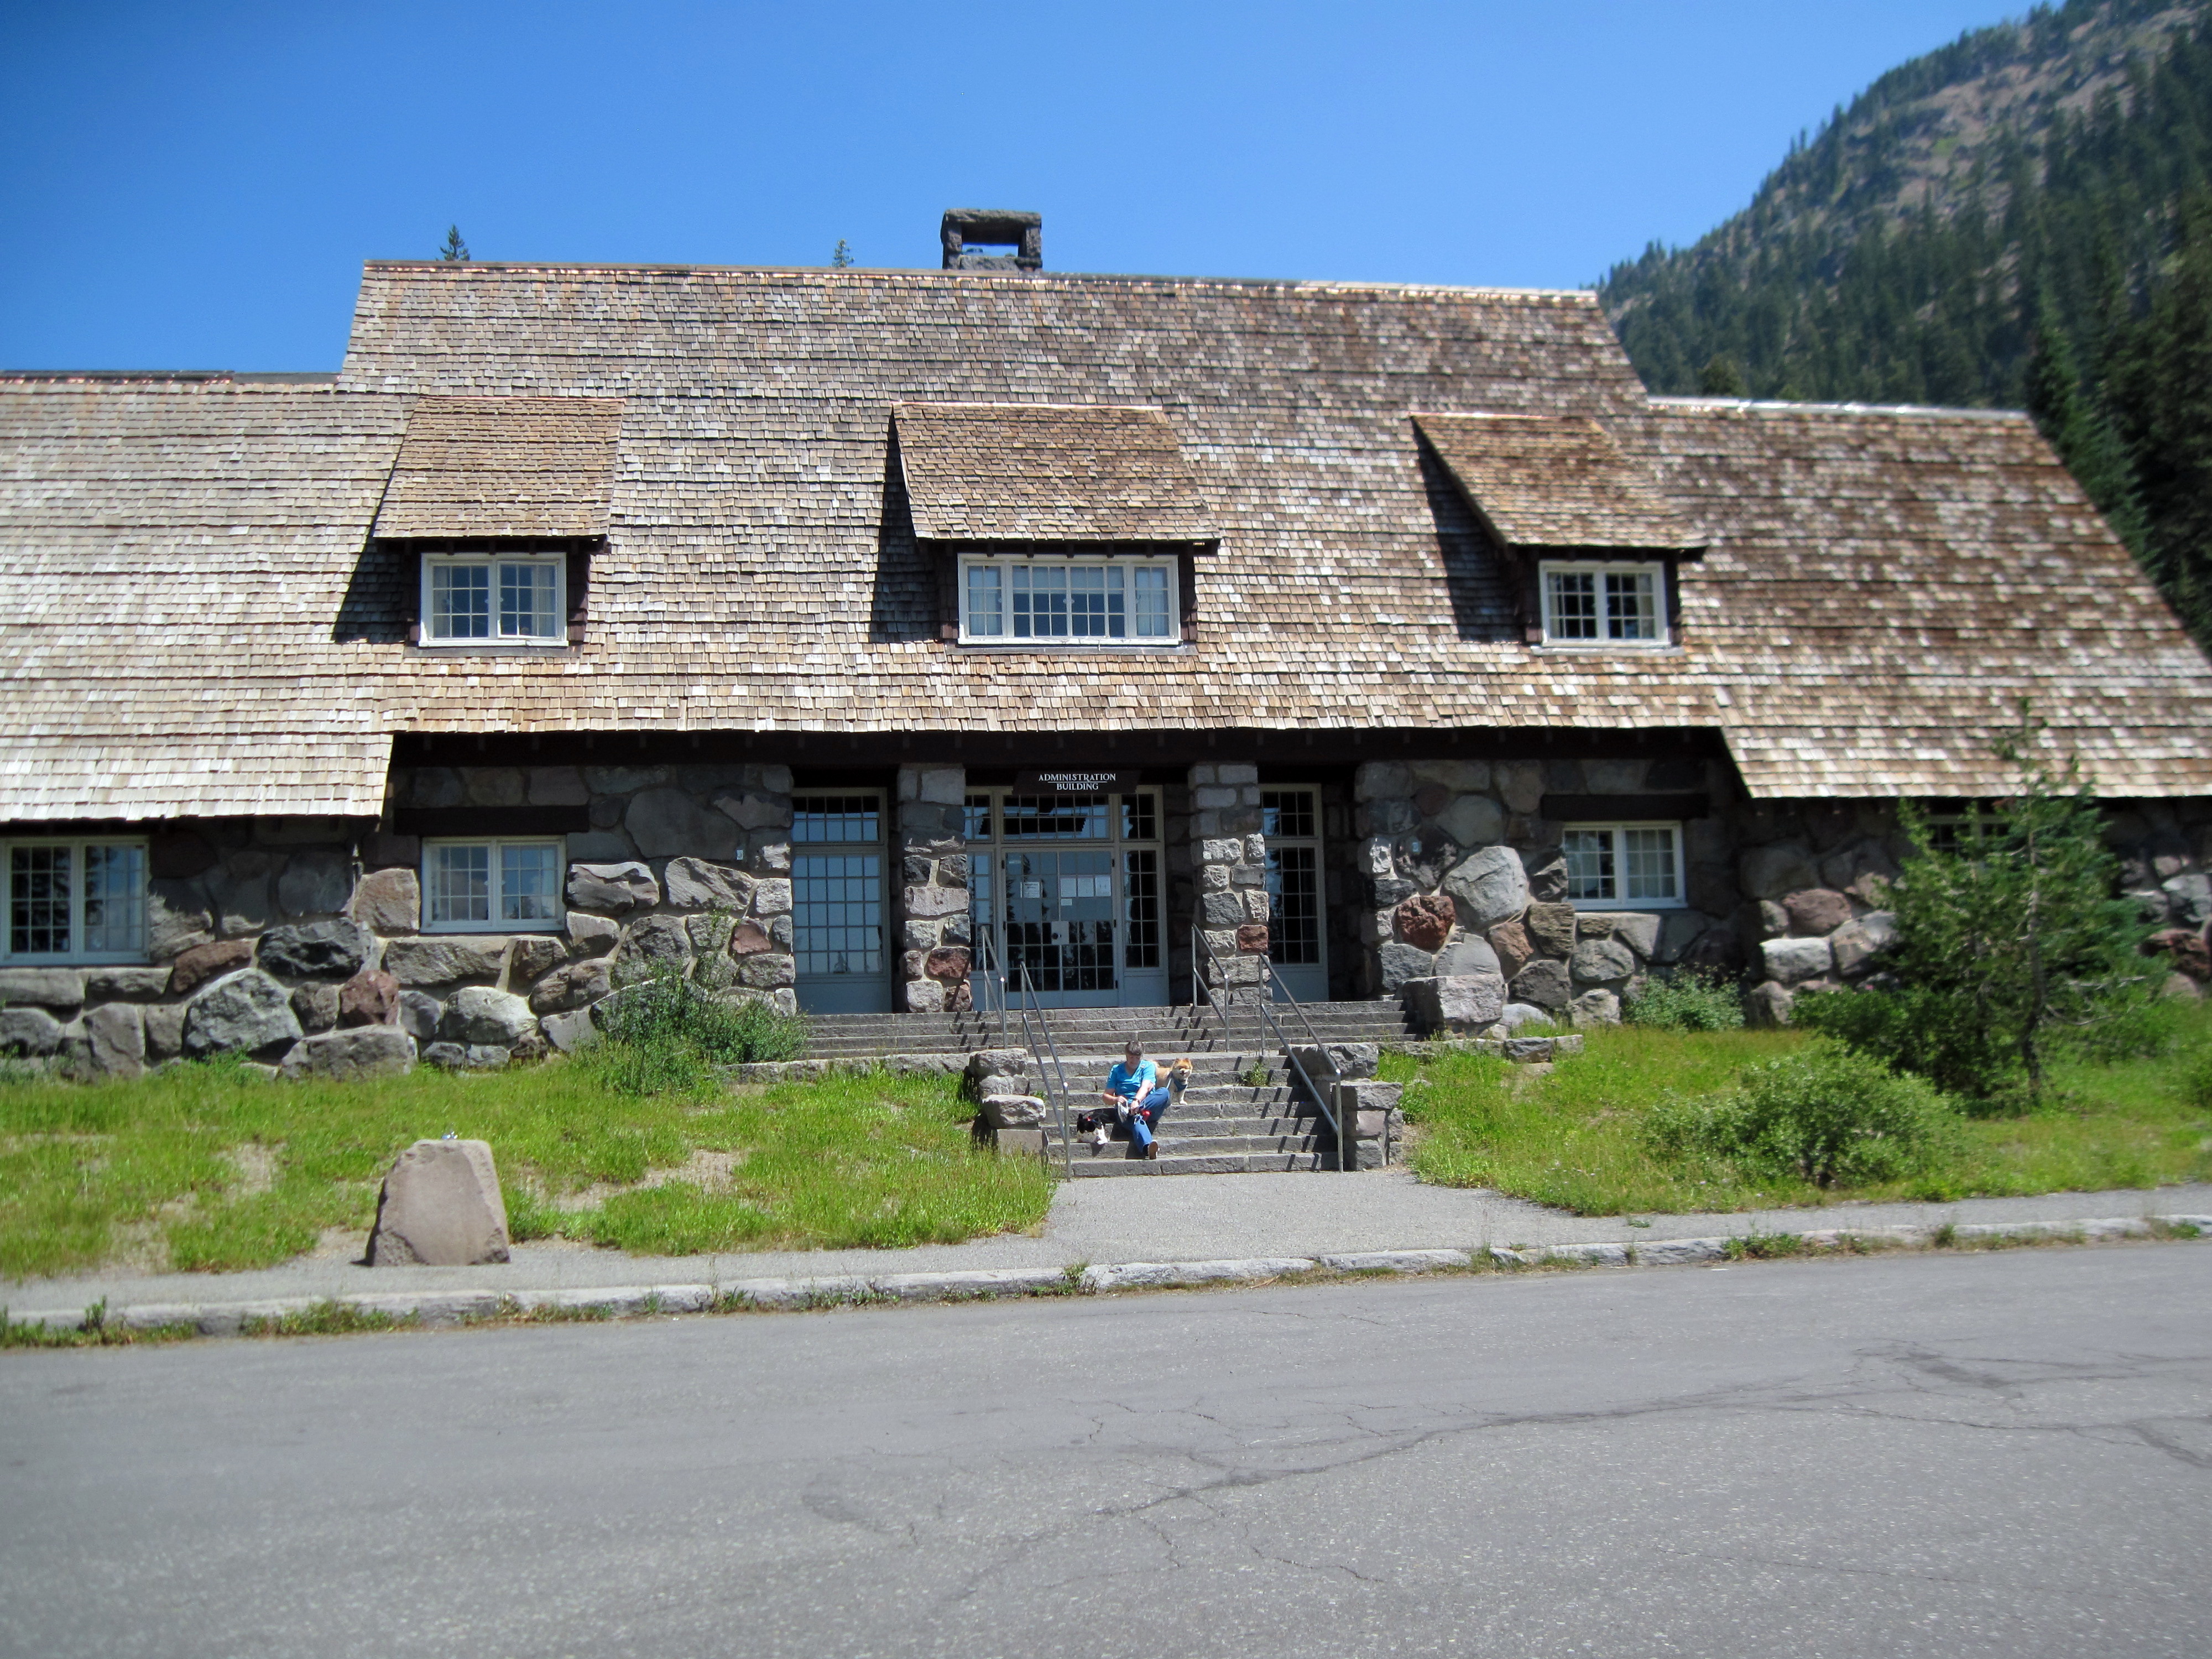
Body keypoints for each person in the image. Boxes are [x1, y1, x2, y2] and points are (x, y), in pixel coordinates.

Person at [1103, 1037, 1173, 1161]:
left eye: (1137, 1058)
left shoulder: (1148, 1066)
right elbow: (1106, 1096)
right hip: (1125, 1111)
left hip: (1146, 1106)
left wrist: (1137, 1102)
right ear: (1126, 1055)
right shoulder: (1116, 1070)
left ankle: (1136, 1111)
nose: (1134, 1061)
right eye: (1131, 1057)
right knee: (1136, 1119)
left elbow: (1146, 1086)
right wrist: (1116, 1099)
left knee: (1164, 1092)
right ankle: (1148, 1148)